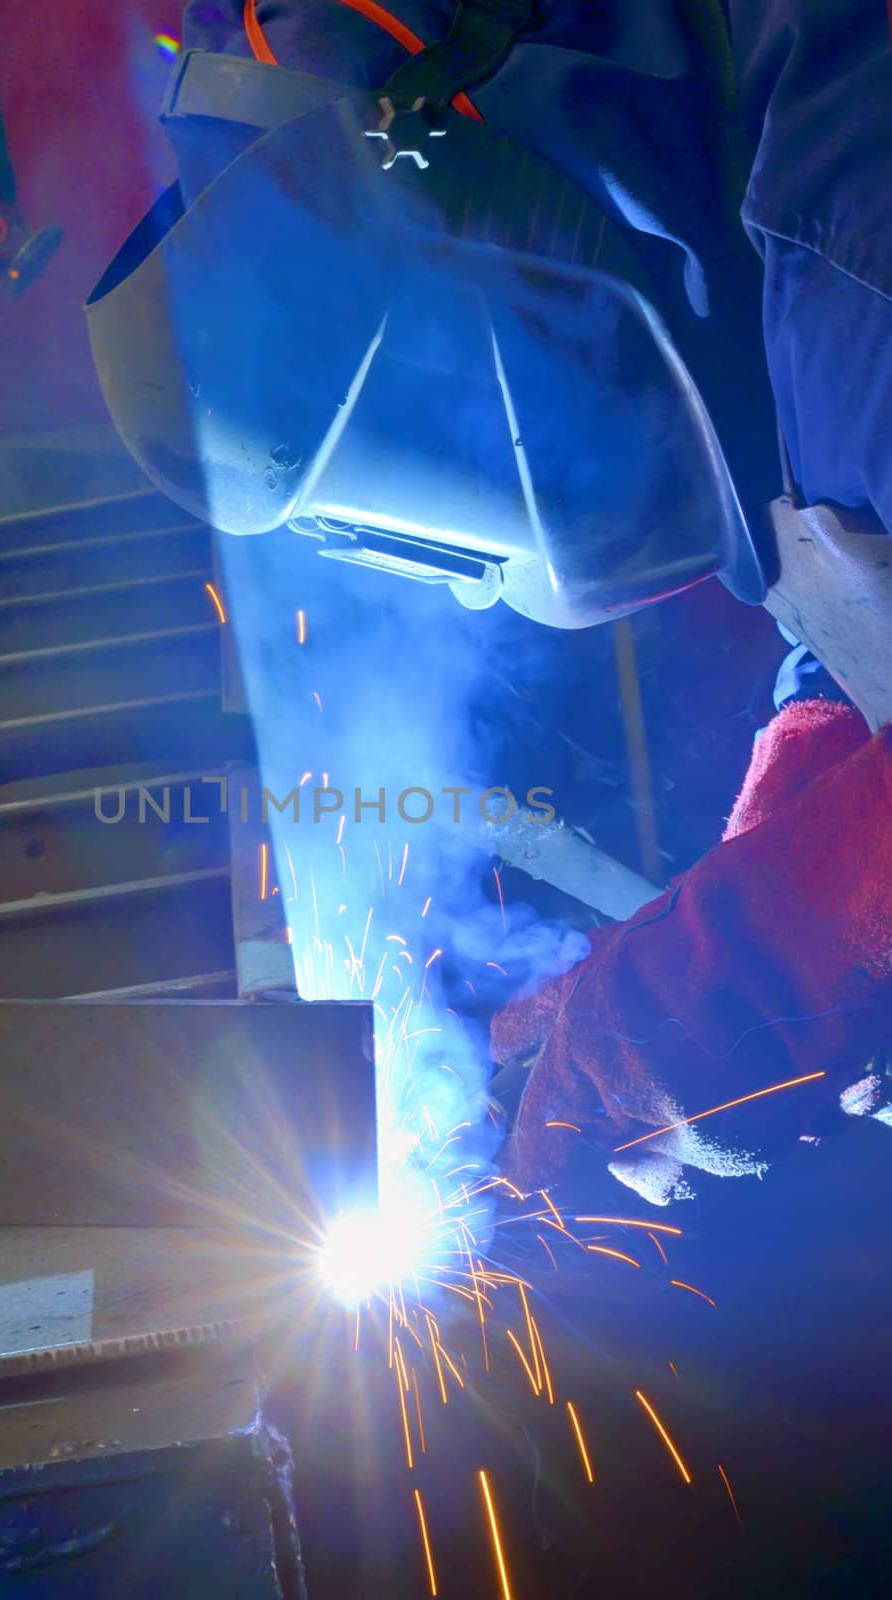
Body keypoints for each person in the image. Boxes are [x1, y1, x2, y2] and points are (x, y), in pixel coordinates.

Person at [88, 2, 892, 1197]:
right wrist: (825, 736)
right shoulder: (756, 255)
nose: (475, 598)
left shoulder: (851, 221)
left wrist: (760, 956)